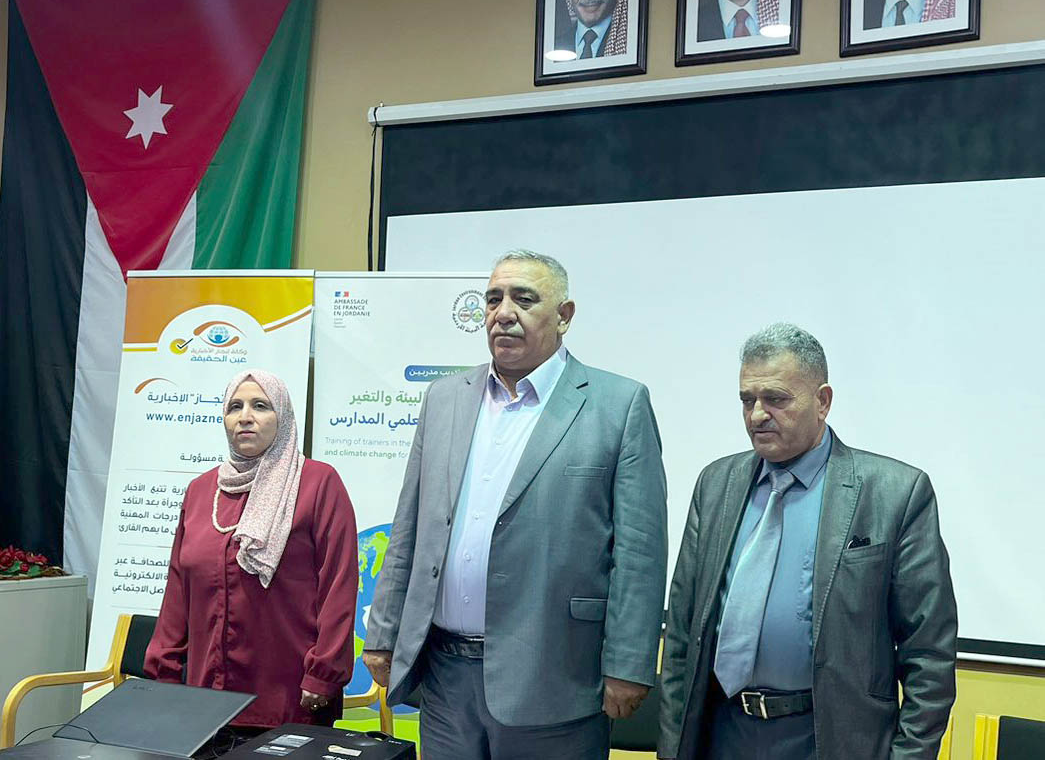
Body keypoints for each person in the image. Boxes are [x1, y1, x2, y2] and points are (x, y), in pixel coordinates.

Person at [363, 250, 667, 759]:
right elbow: (410, 525)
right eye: (493, 299)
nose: (503, 313)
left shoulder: (618, 404)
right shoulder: (444, 398)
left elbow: (639, 551)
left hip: (556, 675)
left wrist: (629, 663)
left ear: (564, 316)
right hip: (444, 676)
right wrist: (383, 631)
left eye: (524, 299)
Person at [658, 323, 957, 760]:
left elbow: (928, 653)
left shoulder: (894, 493)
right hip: (722, 732)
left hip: (829, 739)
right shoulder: (717, 484)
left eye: (776, 399)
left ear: (823, 401)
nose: (757, 415)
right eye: (747, 400)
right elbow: (683, 633)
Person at [145, 369, 359, 730]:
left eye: (260, 406)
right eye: (235, 407)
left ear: (283, 417)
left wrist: (324, 674)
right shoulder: (201, 490)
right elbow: (178, 589)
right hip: (204, 701)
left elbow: (339, 584)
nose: (245, 416)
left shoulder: (317, 483)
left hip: (289, 698)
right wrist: (162, 670)